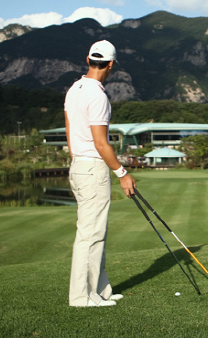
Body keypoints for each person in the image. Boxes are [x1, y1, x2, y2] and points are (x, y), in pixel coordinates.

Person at [64, 40, 136, 307]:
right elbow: (101, 142)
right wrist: (122, 173)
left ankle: (100, 290)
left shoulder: (75, 89)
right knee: (91, 234)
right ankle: (82, 297)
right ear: (110, 64)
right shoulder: (98, 95)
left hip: (79, 165)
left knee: (96, 231)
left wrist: (78, 158)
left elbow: (69, 129)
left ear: (88, 59)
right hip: (93, 167)